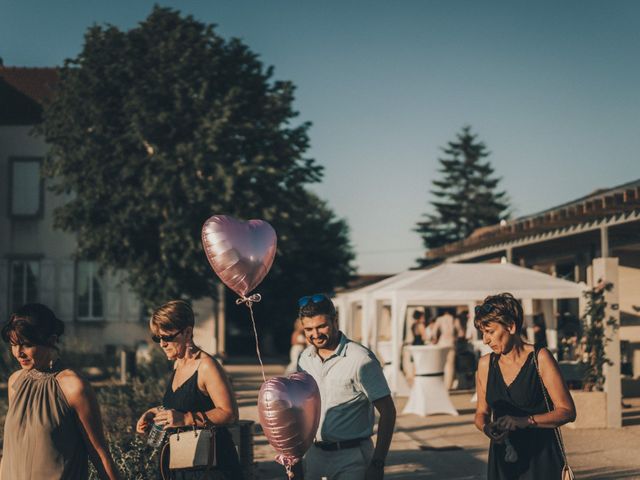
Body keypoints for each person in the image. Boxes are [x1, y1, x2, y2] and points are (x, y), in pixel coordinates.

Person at [0, 303, 121, 480]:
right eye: (13, 344)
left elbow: (99, 454)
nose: (18, 353)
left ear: (51, 340)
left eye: (26, 344)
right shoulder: (15, 382)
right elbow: (12, 451)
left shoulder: (74, 387)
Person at [136, 300, 243, 480]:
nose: (162, 344)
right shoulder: (179, 363)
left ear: (187, 332)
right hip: (183, 461)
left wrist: (186, 419)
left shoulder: (207, 367)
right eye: (158, 338)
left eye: (167, 337)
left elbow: (229, 413)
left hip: (209, 466)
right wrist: (154, 412)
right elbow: (185, 403)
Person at [473, 293, 576, 480]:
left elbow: (567, 411)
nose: (485, 340)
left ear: (511, 326)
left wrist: (525, 421)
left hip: (541, 459)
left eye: (490, 332)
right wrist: (487, 428)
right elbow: (481, 413)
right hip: (503, 461)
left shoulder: (540, 358)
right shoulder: (484, 365)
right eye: (483, 332)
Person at [296, 294, 396, 480]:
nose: (315, 334)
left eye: (321, 326)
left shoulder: (361, 359)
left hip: (352, 458)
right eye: (308, 329)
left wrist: (378, 462)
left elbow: (388, 412)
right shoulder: (304, 359)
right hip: (314, 455)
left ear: (335, 321)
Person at [432, 308, 457, 389]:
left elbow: (433, 332)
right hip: (451, 342)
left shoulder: (440, 319)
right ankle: (448, 385)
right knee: (450, 364)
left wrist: (434, 339)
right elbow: (459, 331)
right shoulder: (453, 319)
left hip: (442, 343)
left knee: (442, 364)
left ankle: (441, 384)